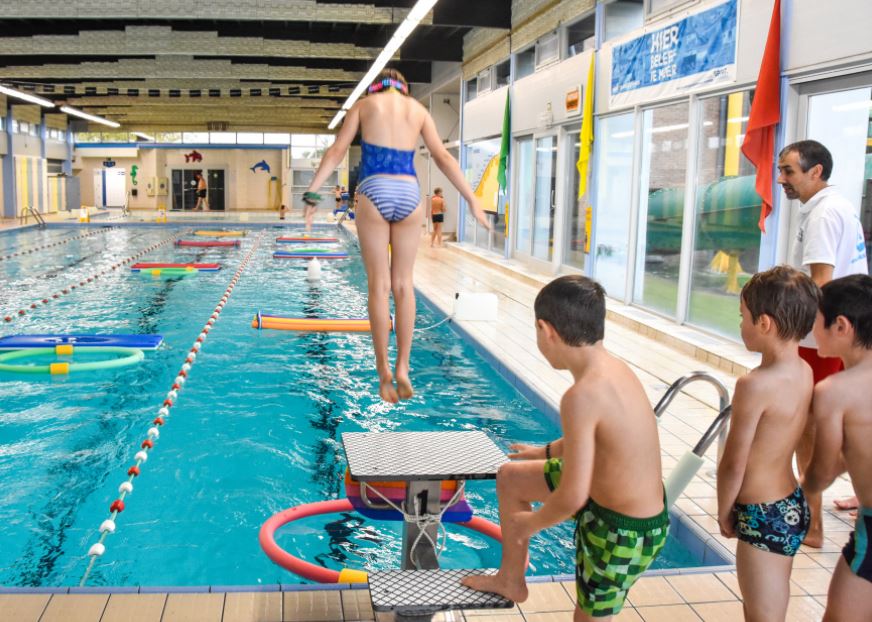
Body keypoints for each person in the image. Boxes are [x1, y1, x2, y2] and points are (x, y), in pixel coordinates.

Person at [462, 275, 668, 621]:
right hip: (609, 494)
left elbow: (572, 496)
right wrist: (544, 453)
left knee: (587, 617)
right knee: (512, 477)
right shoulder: (615, 370)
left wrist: (530, 524)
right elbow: (596, 441)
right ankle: (511, 580)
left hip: (624, 530)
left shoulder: (581, 396)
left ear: (546, 330)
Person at [301, 68, 490, 403]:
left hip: (373, 190)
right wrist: (473, 200)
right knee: (403, 284)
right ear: (404, 89)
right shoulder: (418, 110)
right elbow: (443, 157)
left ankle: (383, 370)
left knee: (379, 285)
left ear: (377, 87)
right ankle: (404, 366)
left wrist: (313, 194)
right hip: (408, 194)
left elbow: (336, 151)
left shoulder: (364, 105)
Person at [777, 139, 869, 544]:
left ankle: (811, 524)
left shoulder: (822, 215)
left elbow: (821, 284)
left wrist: (791, 331)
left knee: (807, 424)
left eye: (789, 171)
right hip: (846, 333)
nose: (782, 179)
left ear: (816, 172)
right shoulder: (840, 205)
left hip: (823, 339)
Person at [716, 266, 818, 622]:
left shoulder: (754, 385)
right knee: (770, 602)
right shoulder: (804, 371)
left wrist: (724, 509)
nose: (740, 324)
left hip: (763, 513)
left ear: (764, 324)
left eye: (742, 317)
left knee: (763, 614)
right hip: (790, 503)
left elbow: (733, 462)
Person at [801, 274, 872, 622]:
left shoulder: (834, 391)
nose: (811, 333)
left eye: (815, 322)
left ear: (840, 325)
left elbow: (822, 471)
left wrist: (803, 491)